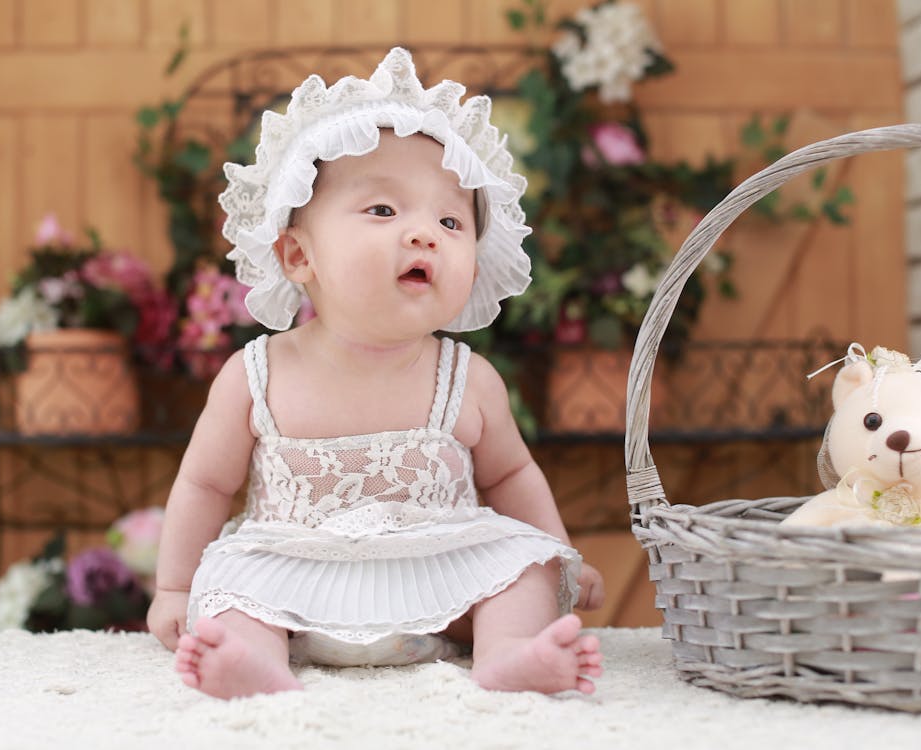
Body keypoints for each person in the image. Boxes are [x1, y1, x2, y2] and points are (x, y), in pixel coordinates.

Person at [147, 47, 606, 700]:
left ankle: (508, 654)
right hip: (292, 584)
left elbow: (510, 476)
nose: (424, 234)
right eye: (383, 211)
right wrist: (175, 588)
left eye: (450, 221)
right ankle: (254, 664)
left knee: (521, 570)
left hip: (439, 587)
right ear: (298, 254)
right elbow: (202, 483)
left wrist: (562, 554)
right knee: (232, 587)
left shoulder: (466, 378)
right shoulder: (254, 374)